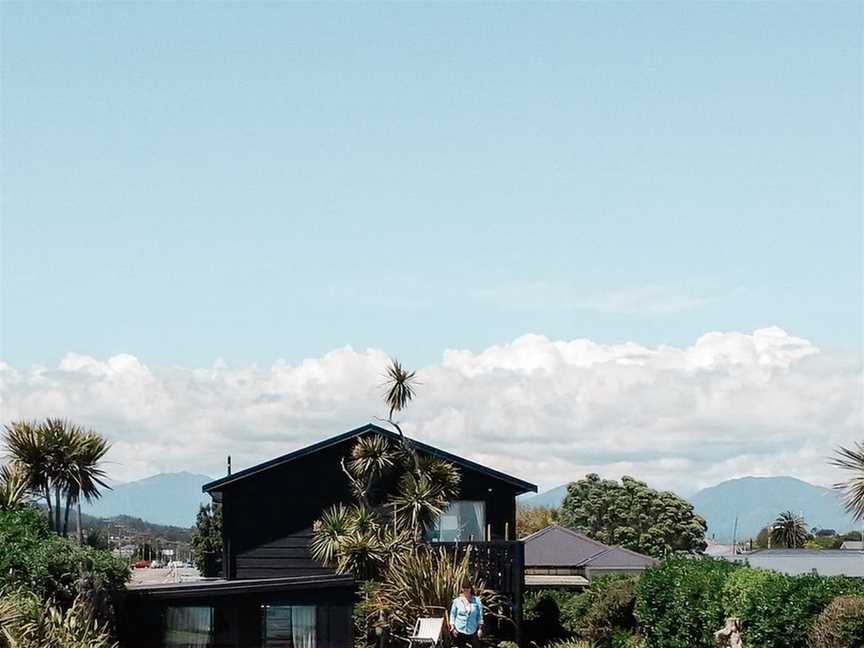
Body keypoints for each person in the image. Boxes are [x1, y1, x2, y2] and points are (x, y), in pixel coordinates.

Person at [449, 578, 483, 648]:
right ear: (461, 589)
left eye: (467, 588)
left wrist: (480, 629)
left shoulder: (477, 600)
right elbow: (452, 615)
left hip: (473, 630)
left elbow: (480, 615)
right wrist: (453, 628)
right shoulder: (456, 601)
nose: (466, 589)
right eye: (464, 588)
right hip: (459, 630)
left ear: (470, 588)